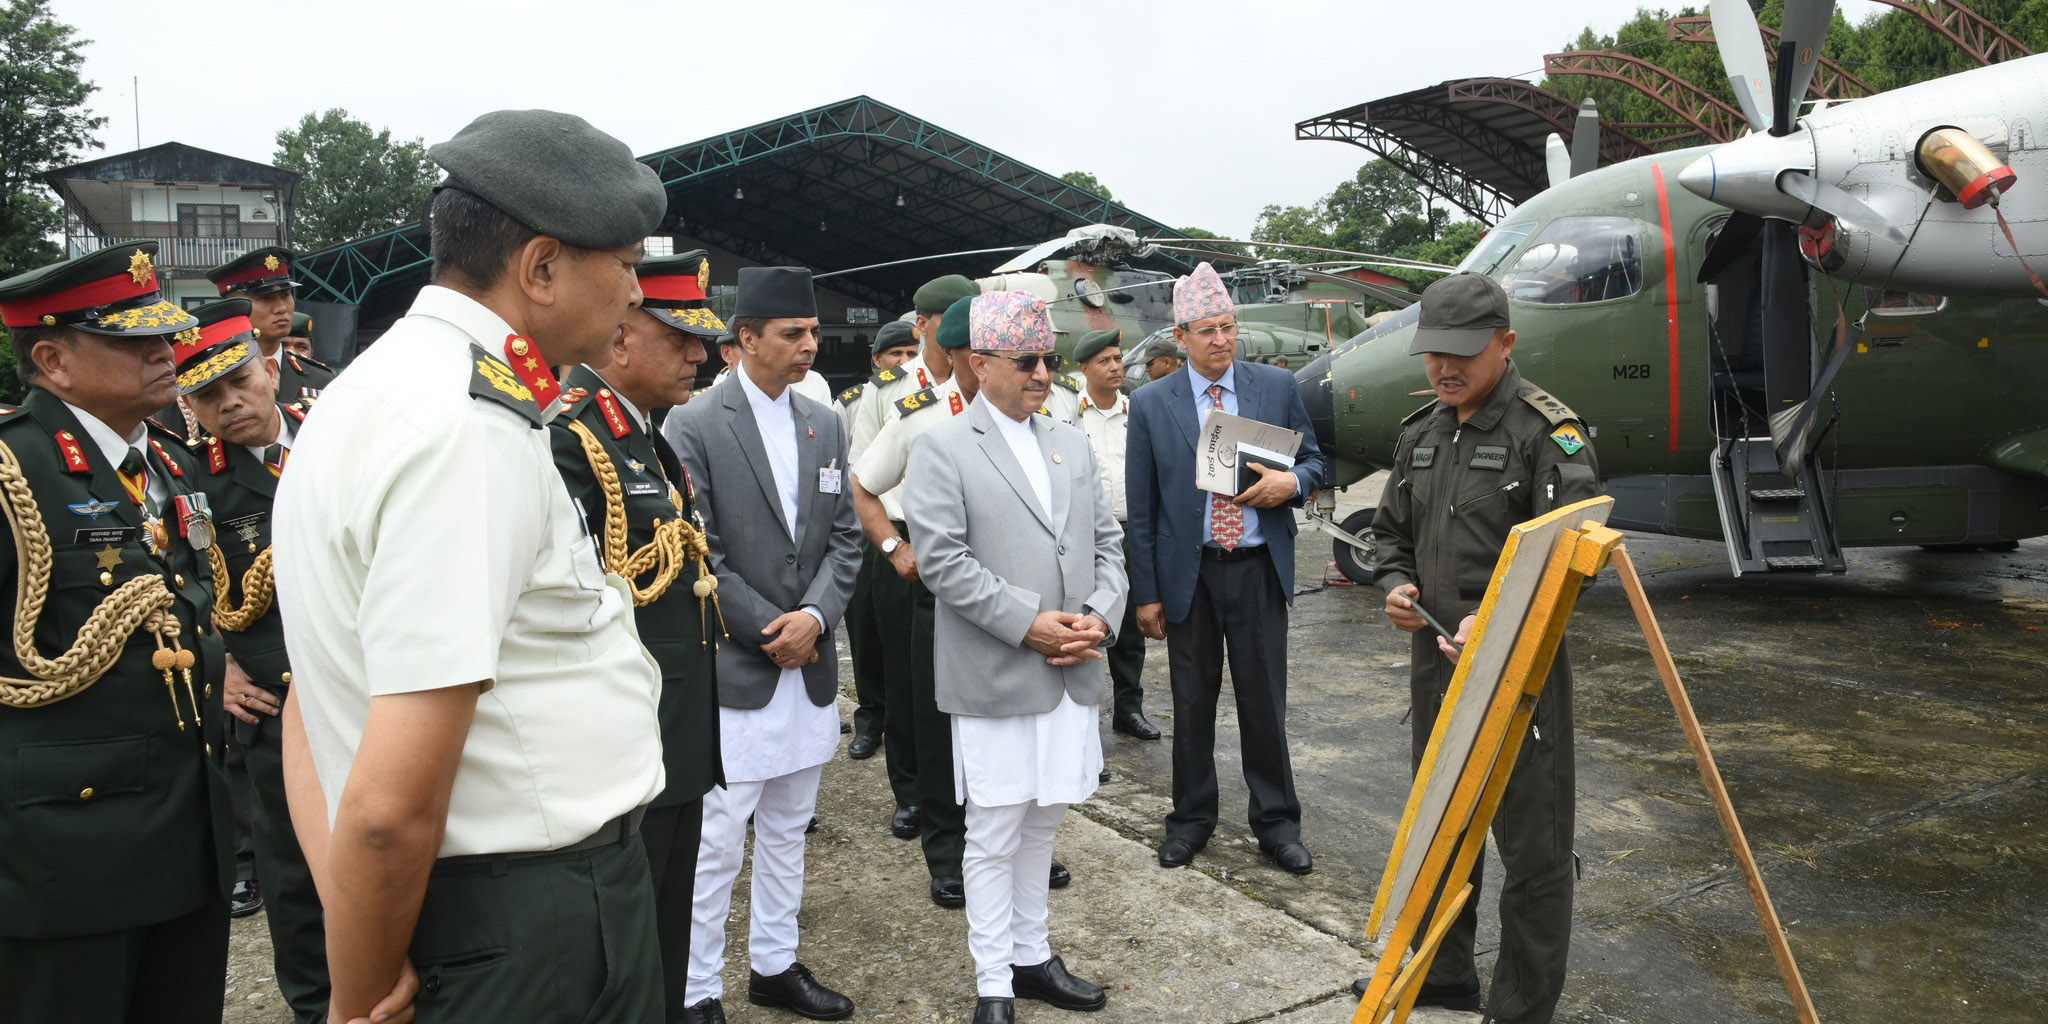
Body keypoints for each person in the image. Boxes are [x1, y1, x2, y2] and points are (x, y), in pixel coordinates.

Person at [271, 109, 670, 1024]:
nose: (635, 293)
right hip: (529, 924)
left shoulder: (368, 394)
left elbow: (314, 702)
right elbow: (389, 807)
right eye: (626, 266)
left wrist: (351, 912)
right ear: (541, 267)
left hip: (492, 908)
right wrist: (361, 990)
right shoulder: (465, 431)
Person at [0, 241, 234, 1023]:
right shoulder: (14, 470)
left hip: (185, 831)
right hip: (66, 861)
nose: (165, 353)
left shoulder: (166, 461)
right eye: (132, 341)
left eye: (162, 335)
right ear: (52, 360)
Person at [1357, 272, 1600, 1024]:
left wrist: (1497, 629)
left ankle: (1521, 1009)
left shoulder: (1548, 433)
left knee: (1533, 850)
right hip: (1436, 671)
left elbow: (1574, 565)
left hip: (1518, 677)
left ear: (1506, 343)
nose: (1444, 368)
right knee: (1440, 827)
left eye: (1462, 353)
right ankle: (1445, 972)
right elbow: (1391, 535)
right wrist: (1396, 585)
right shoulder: (1421, 432)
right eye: (1432, 353)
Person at [902, 290, 1124, 1024]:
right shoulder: (940, 445)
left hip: (1071, 669)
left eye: (1049, 359)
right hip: (1000, 671)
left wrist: (1098, 616)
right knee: (995, 829)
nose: (1042, 372)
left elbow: (1107, 547)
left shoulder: (1069, 441)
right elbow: (943, 563)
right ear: (978, 362)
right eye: (1026, 360)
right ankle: (993, 979)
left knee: (1044, 823)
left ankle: (1033, 956)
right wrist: (1030, 624)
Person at [663, 265, 862, 1024]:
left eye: (812, 332)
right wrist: (767, 627)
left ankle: (774, 965)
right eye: (793, 334)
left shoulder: (826, 421)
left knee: (788, 825)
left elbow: (845, 539)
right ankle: (695, 989)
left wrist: (813, 617)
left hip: (807, 661)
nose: (810, 345)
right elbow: (698, 550)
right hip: (738, 663)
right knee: (718, 838)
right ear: (744, 339)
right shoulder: (695, 424)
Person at [550, 249, 726, 1024]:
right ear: (621, 337)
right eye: (680, 337)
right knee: (624, 954)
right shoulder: (573, 440)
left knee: (665, 934)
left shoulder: (644, 439)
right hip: (625, 742)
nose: (700, 353)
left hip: (674, 734)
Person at [1125, 262, 1326, 875]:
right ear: (1180, 336)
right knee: (1192, 701)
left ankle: (1277, 822)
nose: (1220, 339)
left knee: (1265, 701)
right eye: (1206, 329)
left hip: (1258, 566)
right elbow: (1143, 507)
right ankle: (1190, 820)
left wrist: (1290, 483)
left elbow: (1317, 462)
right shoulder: (1153, 403)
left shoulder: (1273, 387)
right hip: (1192, 573)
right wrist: (1147, 594)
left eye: (1228, 326)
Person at [175, 297, 328, 1023]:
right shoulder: (189, 485)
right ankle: (315, 1008)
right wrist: (217, 663)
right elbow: (174, 588)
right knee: (294, 882)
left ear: (270, 371)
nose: (228, 403)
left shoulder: (333, 436)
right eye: (207, 394)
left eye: (238, 381)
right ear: (190, 405)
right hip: (271, 709)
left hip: (359, 694)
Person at [843, 274, 979, 845]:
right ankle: (913, 793)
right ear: (923, 324)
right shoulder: (888, 390)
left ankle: (972, 796)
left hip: (974, 551)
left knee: (971, 684)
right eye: (947, 321)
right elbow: (863, 475)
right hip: (904, 547)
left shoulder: (994, 384)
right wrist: (893, 548)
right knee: (906, 677)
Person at [837, 316, 921, 766]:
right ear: (878, 360)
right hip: (879, 526)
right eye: (897, 355)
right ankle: (871, 718)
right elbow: (853, 468)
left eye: (912, 352)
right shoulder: (863, 396)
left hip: (924, 529)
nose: (905, 361)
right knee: (867, 630)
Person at [1071, 328, 1157, 742]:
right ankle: (1083, 723)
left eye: (1118, 359)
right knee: (1082, 624)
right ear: (1083, 368)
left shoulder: (1138, 412)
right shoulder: (1066, 416)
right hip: (1079, 535)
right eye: (1104, 361)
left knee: (1128, 625)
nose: (1115, 367)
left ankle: (1129, 708)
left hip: (1130, 531)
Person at [205, 247, 335, 404]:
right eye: (265, 298)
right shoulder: (207, 379)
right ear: (233, 307)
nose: (281, 308)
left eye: (285, 295)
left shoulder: (320, 378)